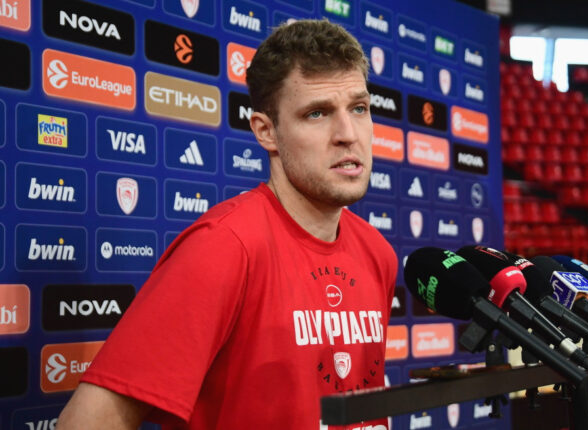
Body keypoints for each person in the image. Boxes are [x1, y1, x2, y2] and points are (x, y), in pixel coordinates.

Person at [57, 19, 397, 429]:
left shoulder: (378, 254)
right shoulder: (224, 247)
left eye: (359, 108)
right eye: (317, 113)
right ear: (266, 132)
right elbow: (86, 422)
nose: (348, 134)